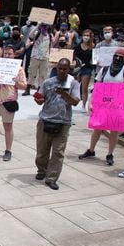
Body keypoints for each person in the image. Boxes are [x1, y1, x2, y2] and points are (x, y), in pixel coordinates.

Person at [78, 48, 124, 166]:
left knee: (114, 131)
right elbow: (97, 87)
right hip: (102, 104)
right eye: (116, 56)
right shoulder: (104, 70)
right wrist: (90, 102)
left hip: (117, 106)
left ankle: (110, 154)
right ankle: (91, 150)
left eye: (121, 57)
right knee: (97, 128)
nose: (118, 58)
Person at [33, 58, 80, 190]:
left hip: (63, 122)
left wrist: (64, 93)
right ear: (56, 68)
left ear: (68, 70)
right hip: (46, 120)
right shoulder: (48, 82)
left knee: (58, 152)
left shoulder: (73, 84)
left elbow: (75, 101)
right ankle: (42, 170)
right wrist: (39, 99)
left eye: (65, 69)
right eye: (60, 68)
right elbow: (40, 98)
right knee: (42, 151)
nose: (62, 71)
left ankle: (52, 178)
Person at [25, 22, 51, 96]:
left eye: (45, 26)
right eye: (43, 26)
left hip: (45, 57)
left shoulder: (50, 35)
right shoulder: (37, 33)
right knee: (31, 74)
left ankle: (39, 90)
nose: (44, 27)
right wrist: (37, 26)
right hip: (35, 56)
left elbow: (51, 45)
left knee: (42, 75)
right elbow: (30, 35)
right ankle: (28, 89)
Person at [73, 29, 95, 109]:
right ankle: (72, 101)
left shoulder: (92, 47)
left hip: (87, 68)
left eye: (88, 35)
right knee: (74, 85)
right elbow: (73, 57)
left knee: (84, 88)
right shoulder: (77, 47)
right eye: (85, 35)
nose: (86, 37)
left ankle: (83, 105)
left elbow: (95, 58)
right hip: (77, 69)